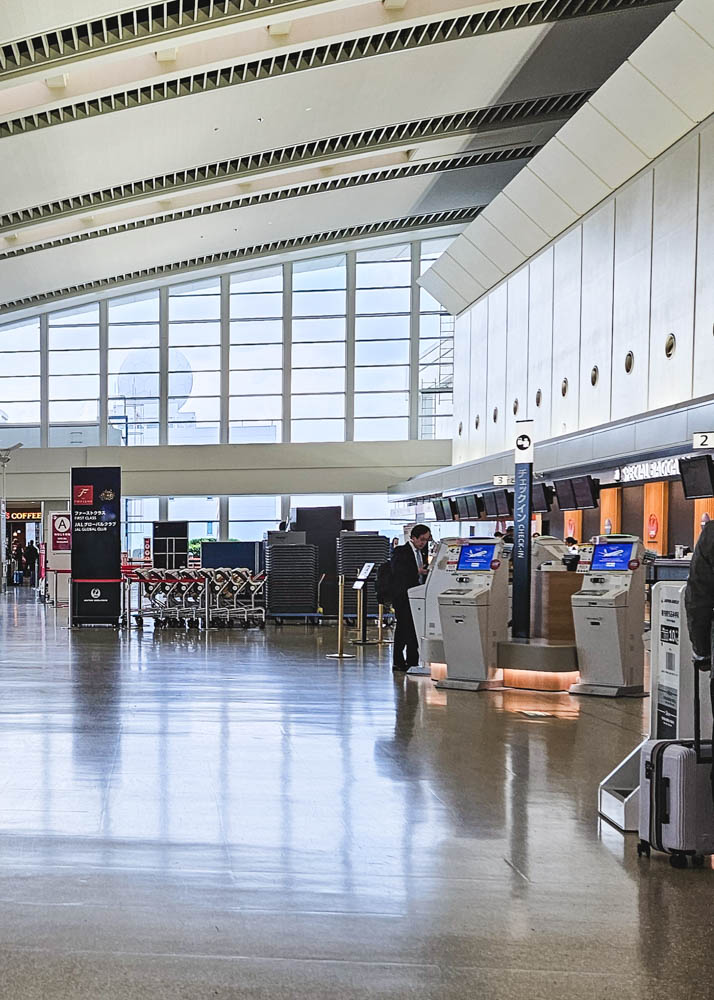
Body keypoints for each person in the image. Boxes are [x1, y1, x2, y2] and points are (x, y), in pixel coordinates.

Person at [390, 524, 431, 672]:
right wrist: (417, 571)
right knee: (403, 629)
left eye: (426, 540)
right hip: (403, 597)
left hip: (417, 596)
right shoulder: (401, 551)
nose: (423, 543)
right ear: (413, 538)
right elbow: (398, 571)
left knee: (412, 629)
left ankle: (411, 661)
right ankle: (400, 661)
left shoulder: (422, 552)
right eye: (421, 539)